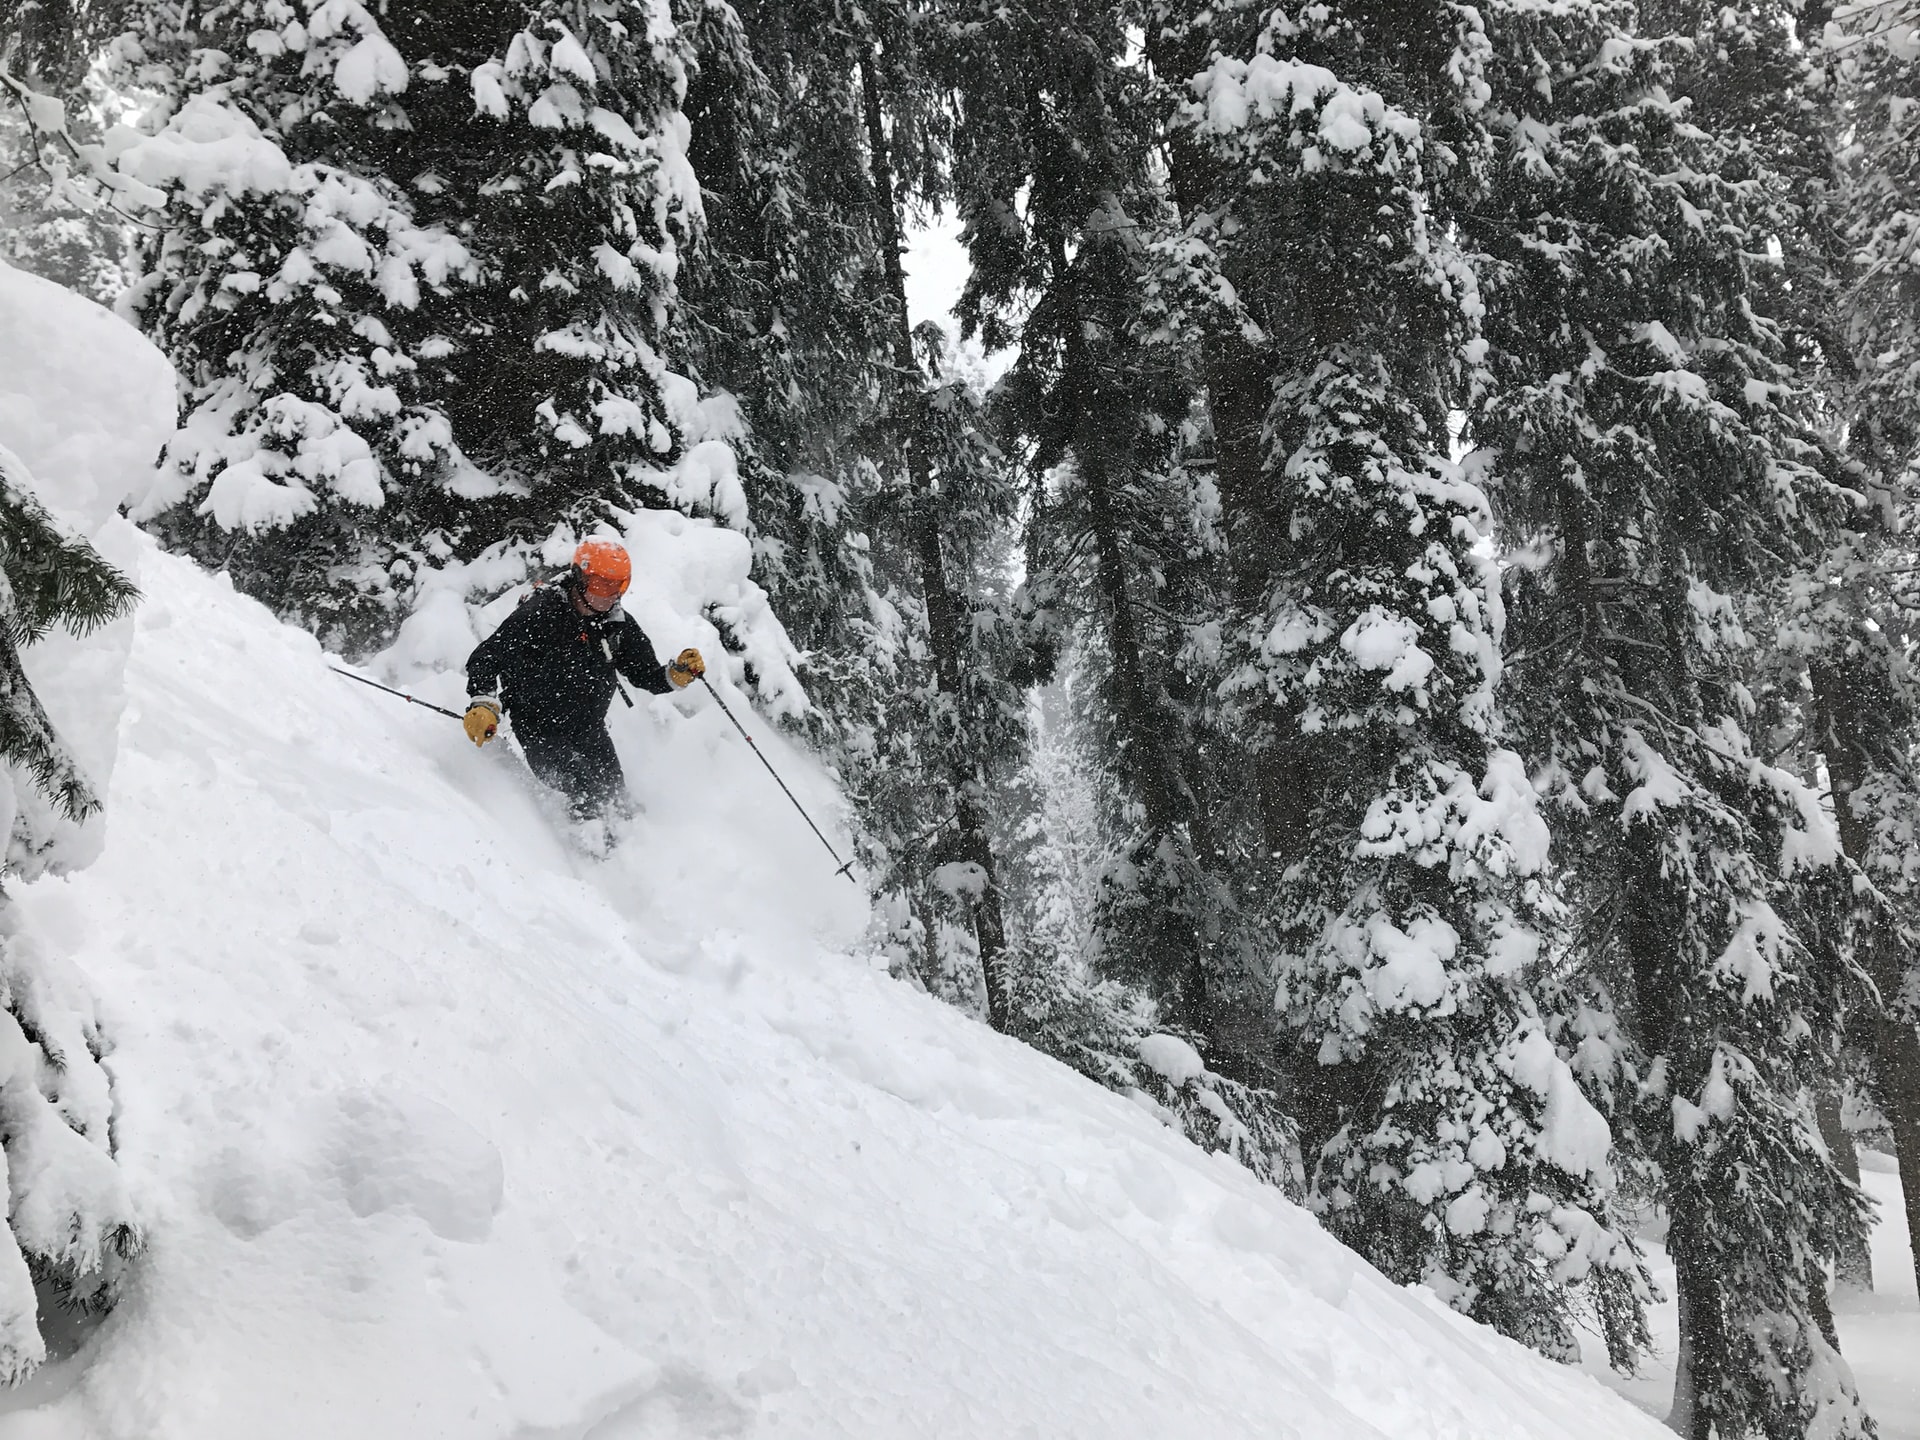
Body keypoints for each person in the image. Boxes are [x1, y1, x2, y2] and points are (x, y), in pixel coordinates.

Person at [463, 538, 704, 820]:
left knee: (616, 797)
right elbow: (488, 656)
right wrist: (483, 701)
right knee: (585, 790)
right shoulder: (541, 614)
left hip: (589, 730)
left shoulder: (615, 624)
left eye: (619, 586)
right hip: (540, 730)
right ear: (579, 578)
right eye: (602, 585)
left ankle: (633, 848)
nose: (611, 596)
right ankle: (587, 852)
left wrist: (676, 675)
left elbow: (646, 675)